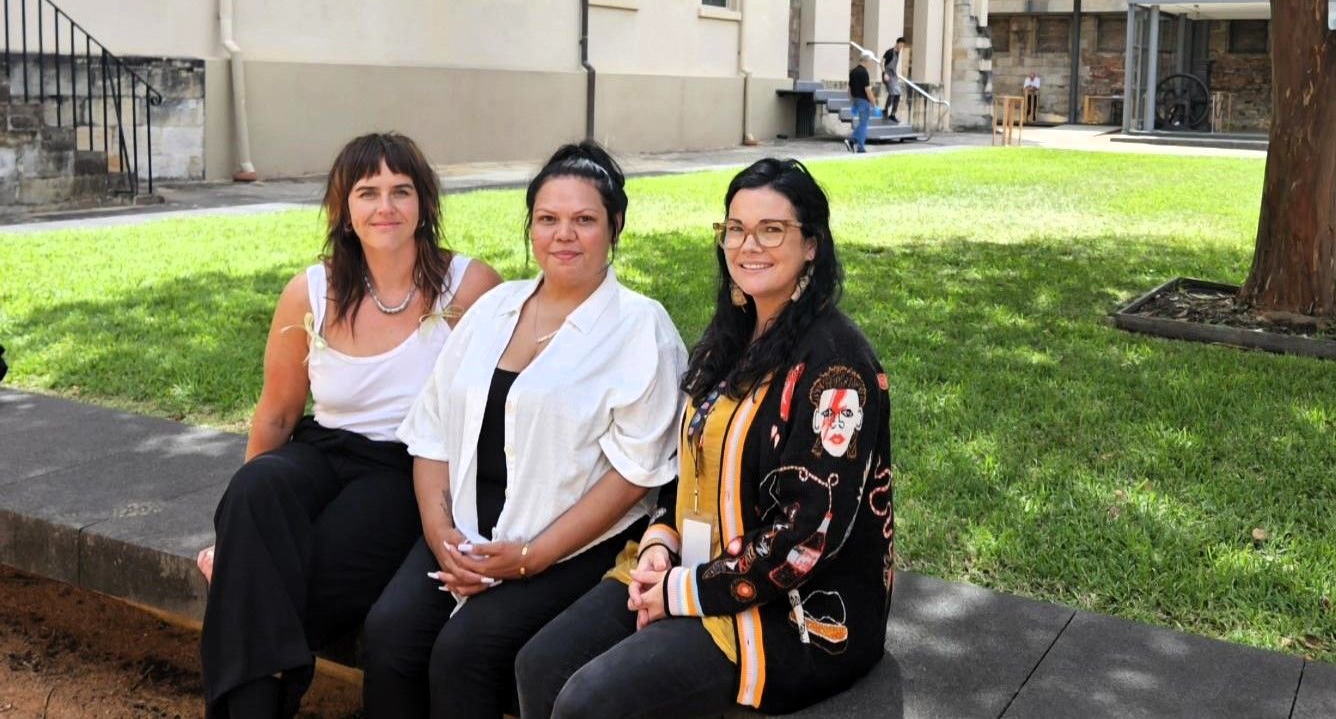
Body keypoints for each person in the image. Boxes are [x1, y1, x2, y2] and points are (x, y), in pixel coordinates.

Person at [515, 157, 894, 719]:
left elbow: (805, 536)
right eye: (735, 229)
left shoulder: (836, 366)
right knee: (540, 664)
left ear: (811, 244)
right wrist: (659, 545)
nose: (749, 245)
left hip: (786, 611)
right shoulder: (730, 337)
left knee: (588, 702)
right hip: (689, 568)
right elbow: (688, 463)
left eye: (772, 230)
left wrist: (679, 592)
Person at [361, 141, 686, 719]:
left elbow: (634, 476)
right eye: (548, 219)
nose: (564, 235)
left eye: (584, 220)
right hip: (465, 526)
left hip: (574, 539)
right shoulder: (494, 308)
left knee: (465, 652)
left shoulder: (641, 328)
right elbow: (432, 432)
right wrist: (440, 533)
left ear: (614, 226)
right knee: (389, 634)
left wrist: (530, 557)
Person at [199, 132, 503, 718]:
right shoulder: (309, 292)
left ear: (424, 203)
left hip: (405, 465)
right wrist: (239, 537)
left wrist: (243, 563)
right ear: (343, 209)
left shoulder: (469, 288)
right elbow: (278, 413)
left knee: (282, 580)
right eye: (367, 192)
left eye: (401, 190)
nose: (385, 206)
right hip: (321, 450)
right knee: (256, 487)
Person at [845, 52, 879, 153]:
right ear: (866, 60)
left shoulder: (853, 72)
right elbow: (868, 91)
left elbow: (849, 89)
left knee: (862, 124)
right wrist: (875, 105)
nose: (870, 64)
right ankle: (853, 142)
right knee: (864, 124)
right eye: (870, 61)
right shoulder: (864, 73)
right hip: (863, 101)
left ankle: (859, 146)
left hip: (856, 99)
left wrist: (852, 102)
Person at [881, 36, 906, 124]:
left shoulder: (897, 53)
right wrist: (884, 73)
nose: (901, 47)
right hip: (887, 75)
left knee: (898, 94)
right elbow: (881, 62)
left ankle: (892, 114)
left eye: (903, 46)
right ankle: (885, 110)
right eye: (901, 45)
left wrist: (896, 74)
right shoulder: (890, 52)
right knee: (893, 93)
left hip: (893, 76)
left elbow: (893, 66)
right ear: (897, 43)